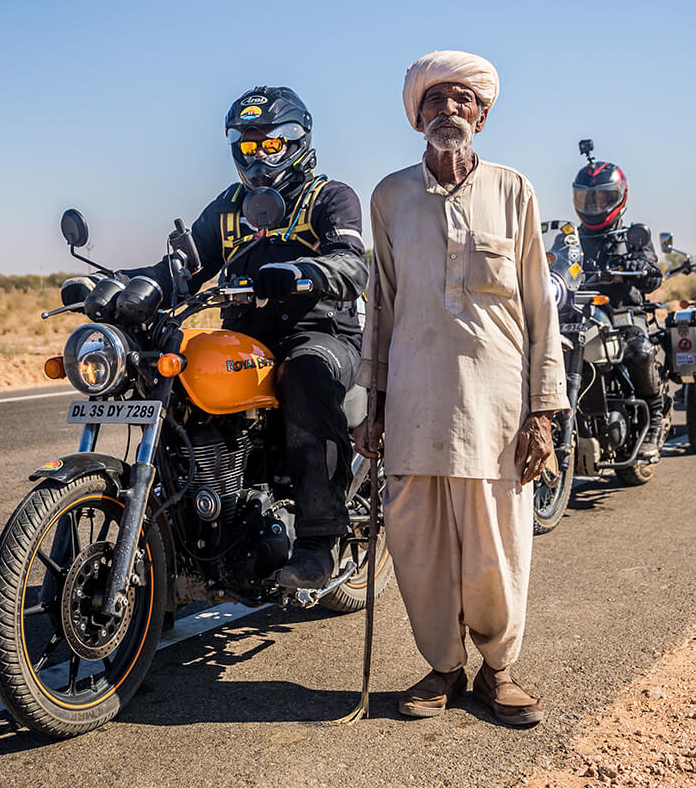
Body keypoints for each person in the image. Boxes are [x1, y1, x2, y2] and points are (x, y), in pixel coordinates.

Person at [353, 50, 568, 725]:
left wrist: (542, 412)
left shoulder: (514, 191)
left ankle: (497, 672)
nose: (449, 110)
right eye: (435, 100)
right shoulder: (389, 197)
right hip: (414, 403)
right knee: (418, 550)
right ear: (417, 116)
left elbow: (540, 308)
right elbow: (379, 305)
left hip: (498, 410)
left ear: (482, 112)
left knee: (496, 550)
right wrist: (373, 401)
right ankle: (442, 668)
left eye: (461, 99)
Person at [126, 86, 368, 588]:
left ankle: (320, 542)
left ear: (298, 140)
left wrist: (304, 272)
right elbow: (185, 269)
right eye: (248, 145)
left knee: (305, 373)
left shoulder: (330, 196)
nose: (258, 156)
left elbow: (351, 262)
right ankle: (179, 536)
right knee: (173, 377)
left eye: (270, 145)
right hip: (246, 341)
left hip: (320, 332)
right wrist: (123, 289)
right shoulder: (230, 205)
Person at [572, 152, 664, 457]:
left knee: (640, 351)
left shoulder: (632, 236)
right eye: (589, 200)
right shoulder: (573, 240)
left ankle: (655, 419)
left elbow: (653, 275)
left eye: (602, 199)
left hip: (625, 315)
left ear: (619, 197)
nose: (596, 206)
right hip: (585, 316)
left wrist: (641, 268)